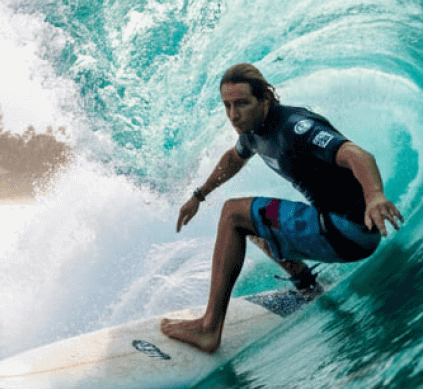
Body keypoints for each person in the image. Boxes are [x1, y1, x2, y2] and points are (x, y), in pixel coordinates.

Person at [161, 63, 404, 353]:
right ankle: (306, 285)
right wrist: (199, 196)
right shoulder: (253, 130)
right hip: (339, 229)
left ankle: (208, 328)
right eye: (227, 105)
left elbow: (356, 154)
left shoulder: (294, 127)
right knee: (254, 219)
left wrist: (375, 196)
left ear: (265, 98)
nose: (233, 115)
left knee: (233, 214)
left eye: (241, 104)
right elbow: (233, 159)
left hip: (347, 230)